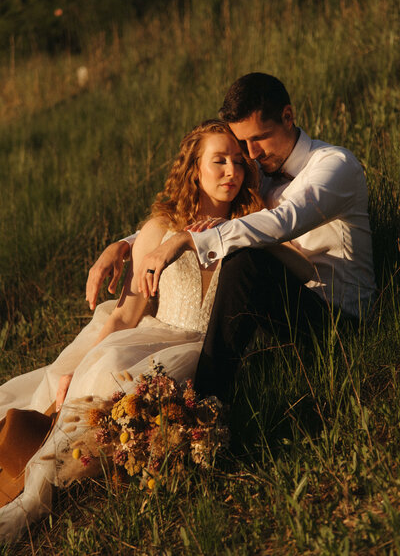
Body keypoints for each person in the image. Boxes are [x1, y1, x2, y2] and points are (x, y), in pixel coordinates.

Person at [0, 119, 313, 540]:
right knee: (103, 363)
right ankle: (37, 471)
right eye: (218, 161)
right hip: (154, 335)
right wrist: (81, 365)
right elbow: (126, 316)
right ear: (194, 169)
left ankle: (75, 466)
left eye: (238, 162)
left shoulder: (252, 222)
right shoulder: (159, 228)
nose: (231, 172)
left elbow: (297, 264)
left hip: (209, 345)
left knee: (133, 389)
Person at [86, 73, 376, 401]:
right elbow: (208, 217)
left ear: (288, 116)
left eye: (259, 139)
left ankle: (208, 401)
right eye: (243, 145)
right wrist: (126, 244)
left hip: (339, 321)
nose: (251, 154)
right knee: (242, 252)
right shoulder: (263, 172)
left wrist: (186, 241)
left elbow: (282, 221)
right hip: (285, 307)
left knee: (245, 260)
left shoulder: (334, 165)